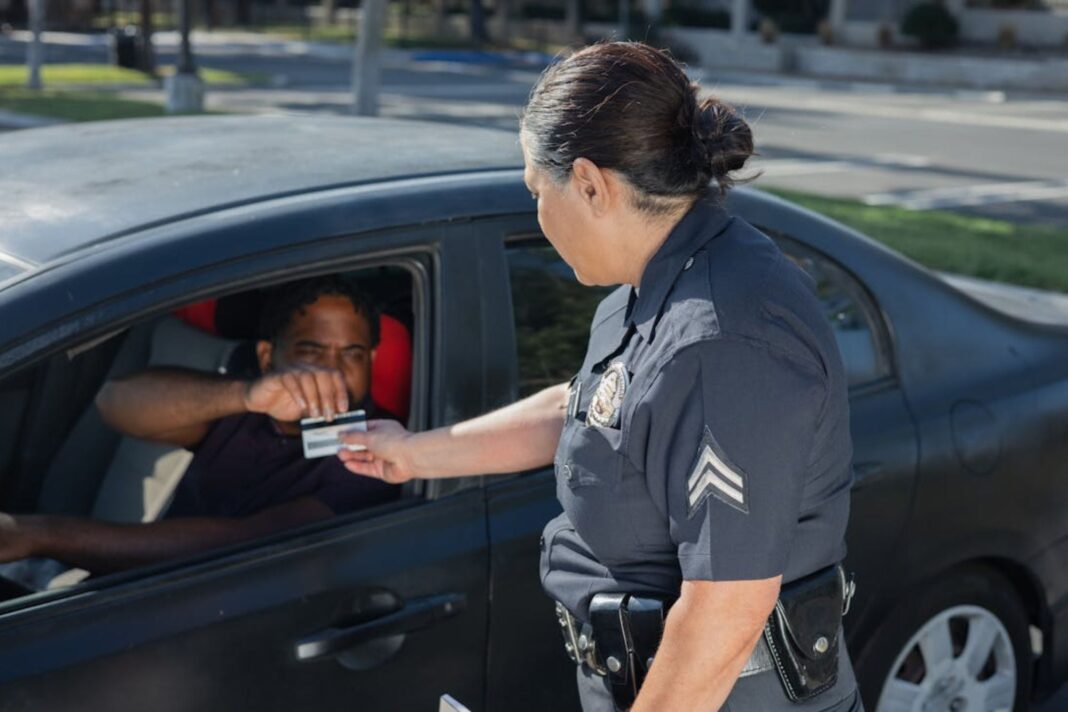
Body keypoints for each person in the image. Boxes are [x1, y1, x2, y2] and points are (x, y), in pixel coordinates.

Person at [337, 42, 862, 712]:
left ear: (589, 183)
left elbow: (724, 612)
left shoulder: (721, 343)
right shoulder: (653, 282)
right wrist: (412, 454)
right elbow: (591, 411)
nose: (537, 213)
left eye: (536, 191)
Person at [0, 277, 399, 577]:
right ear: (266, 356)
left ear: (373, 359)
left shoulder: (379, 448)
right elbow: (115, 404)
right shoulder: (254, 403)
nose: (330, 369)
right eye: (309, 350)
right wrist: (245, 395)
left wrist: (43, 534)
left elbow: (241, 542)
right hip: (139, 588)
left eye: (352, 354)